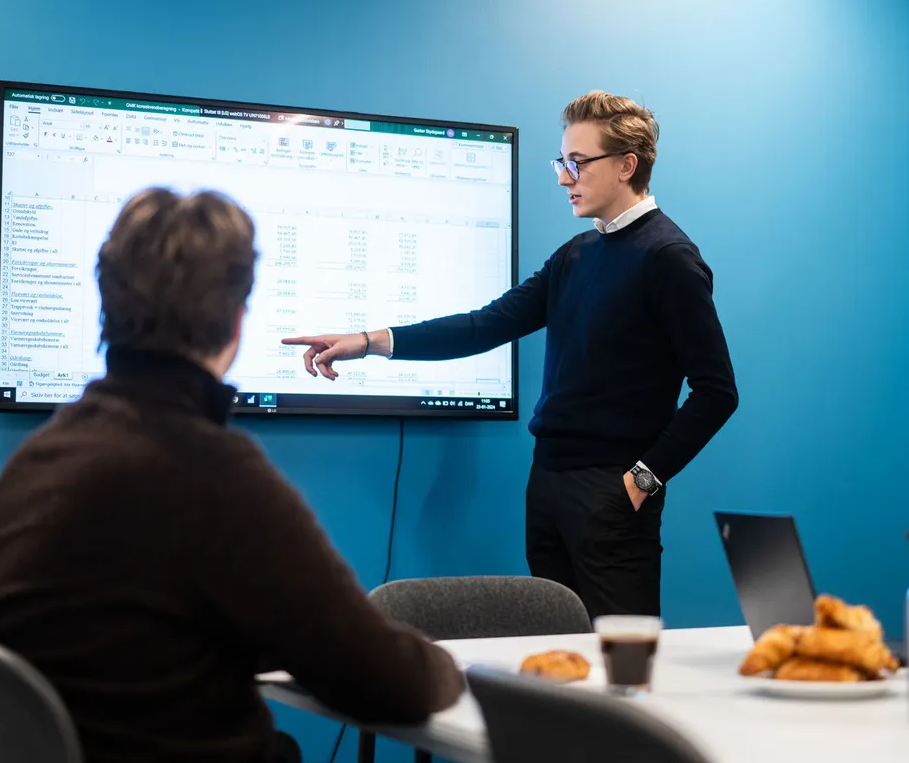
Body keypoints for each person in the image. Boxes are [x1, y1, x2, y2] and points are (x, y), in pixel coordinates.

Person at [0, 189, 463, 763]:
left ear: (105, 304)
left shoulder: (42, 458)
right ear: (236, 318)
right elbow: (392, 683)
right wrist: (441, 662)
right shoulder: (211, 472)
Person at [283, 92, 738, 619]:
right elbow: (486, 326)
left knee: (620, 669)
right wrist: (366, 341)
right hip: (547, 483)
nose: (564, 177)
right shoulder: (576, 255)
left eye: (577, 163)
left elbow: (717, 392)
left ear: (626, 166)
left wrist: (642, 481)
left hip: (611, 493)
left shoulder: (668, 258)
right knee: (556, 658)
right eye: (562, 163)